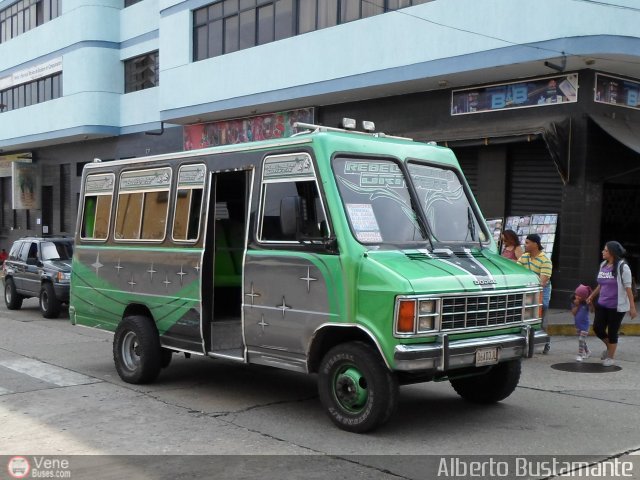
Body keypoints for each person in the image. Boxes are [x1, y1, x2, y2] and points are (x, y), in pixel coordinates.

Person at [586, 241, 638, 367]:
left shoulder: (622, 267)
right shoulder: (603, 264)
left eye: (605, 250)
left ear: (612, 253)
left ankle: (610, 357)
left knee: (612, 332)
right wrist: (591, 296)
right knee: (598, 328)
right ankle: (610, 347)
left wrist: (632, 307)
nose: (603, 252)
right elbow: (601, 284)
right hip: (602, 303)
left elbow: (628, 288)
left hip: (616, 306)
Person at [518, 233, 552, 353]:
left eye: (527, 243)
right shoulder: (524, 257)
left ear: (535, 244)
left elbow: (542, 281)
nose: (525, 245)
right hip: (527, 288)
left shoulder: (545, 260)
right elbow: (517, 272)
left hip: (542, 289)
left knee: (542, 310)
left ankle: (546, 342)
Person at [571, 284, 592, 362]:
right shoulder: (574, 303)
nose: (577, 297)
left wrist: (590, 303)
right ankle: (588, 351)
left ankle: (580, 355)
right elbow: (573, 313)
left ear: (584, 297)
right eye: (576, 295)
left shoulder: (585, 304)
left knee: (581, 339)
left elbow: (592, 310)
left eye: (580, 296)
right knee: (582, 340)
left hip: (585, 326)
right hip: (578, 325)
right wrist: (576, 305)